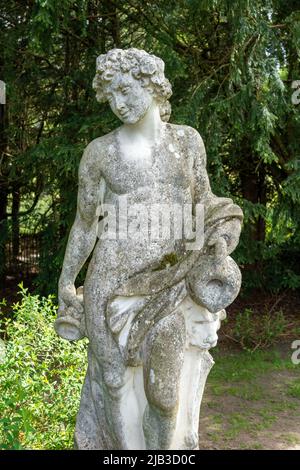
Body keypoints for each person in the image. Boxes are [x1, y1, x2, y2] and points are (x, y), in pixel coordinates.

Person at [55, 48, 243, 449]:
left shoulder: (187, 142)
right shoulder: (100, 153)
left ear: (151, 84)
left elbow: (205, 203)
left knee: (163, 396)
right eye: (111, 97)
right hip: (110, 283)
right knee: (113, 384)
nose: (119, 103)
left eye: (126, 90)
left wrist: (219, 236)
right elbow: (86, 224)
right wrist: (67, 279)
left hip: (170, 283)